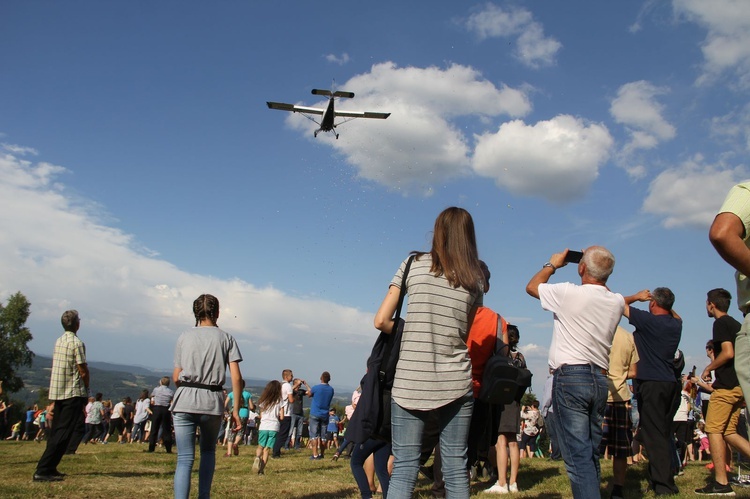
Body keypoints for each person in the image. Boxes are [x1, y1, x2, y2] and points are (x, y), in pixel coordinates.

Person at [374, 206, 484, 499]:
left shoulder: (413, 265)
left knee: (405, 468)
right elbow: (464, 331)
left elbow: (381, 321)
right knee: (456, 468)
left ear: (438, 231)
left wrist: (413, 330)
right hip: (456, 383)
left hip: (411, 379)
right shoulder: (476, 280)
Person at [526, 246, 624, 499]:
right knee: (589, 452)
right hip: (599, 378)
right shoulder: (616, 301)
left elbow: (532, 287)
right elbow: (603, 288)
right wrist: (595, 262)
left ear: (581, 268)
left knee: (577, 457)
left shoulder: (568, 292)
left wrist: (552, 265)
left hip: (571, 377)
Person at [170, 294, 244, 499]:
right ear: (217, 312)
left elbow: (176, 376)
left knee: (184, 459)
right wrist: (236, 409)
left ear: (195, 312)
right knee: (208, 452)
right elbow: (236, 379)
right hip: (212, 401)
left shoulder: (184, 336)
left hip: (184, 399)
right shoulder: (226, 338)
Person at [624, 287, 682, 495]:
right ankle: (659, 478)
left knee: (653, 435)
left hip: (652, 383)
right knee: (662, 432)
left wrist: (637, 296)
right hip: (671, 384)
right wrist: (666, 304)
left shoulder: (648, 321)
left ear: (653, 303)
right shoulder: (675, 324)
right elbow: (678, 315)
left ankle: (665, 485)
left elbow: (618, 303)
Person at [694, 288, 749, 495]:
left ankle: (721, 483)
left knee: (713, 430)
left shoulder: (720, 323)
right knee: (729, 432)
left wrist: (709, 368)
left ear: (711, 304)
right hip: (739, 386)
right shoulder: (736, 324)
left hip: (726, 387)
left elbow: (728, 352)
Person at [33, 309, 90, 482]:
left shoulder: (59, 341)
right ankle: (43, 469)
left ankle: (50, 467)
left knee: (57, 430)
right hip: (72, 392)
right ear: (77, 324)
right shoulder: (77, 343)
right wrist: (86, 389)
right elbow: (82, 370)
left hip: (58, 391)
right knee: (64, 432)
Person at [598, 326, 639, 499]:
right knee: (621, 448)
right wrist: (620, 375)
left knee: (594, 447)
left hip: (599, 396)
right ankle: (618, 489)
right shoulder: (627, 336)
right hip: (622, 398)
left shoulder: (596, 332)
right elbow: (634, 372)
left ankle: (591, 485)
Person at [485, 324, 526, 494]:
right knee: (513, 442)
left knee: (500, 441)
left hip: (501, 401)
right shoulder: (520, 357)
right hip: (514, 402)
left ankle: (502, 482)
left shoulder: (501, 356)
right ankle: (514, 482)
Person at [253, 380, 283, 475]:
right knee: (267, 449)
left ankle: (257, 457)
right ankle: (261, 470)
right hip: (274, 427)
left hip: (264, 426)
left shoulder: (264, 401)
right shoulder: (280, 401)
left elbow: (261, 415)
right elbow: (281, 417)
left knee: (260, 446)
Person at [306, 371, 334, 460]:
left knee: (314, 435)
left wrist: (306, 385)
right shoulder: (331, 389)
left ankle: (315, 454)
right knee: (323, 436)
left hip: (315, 413)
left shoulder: (316, 388)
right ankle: (322, 454)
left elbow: (309, 394)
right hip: (325, 414)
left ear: (321, 378)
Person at [224, 379, 253, 457]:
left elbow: (225, 404)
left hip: (234, 412)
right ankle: (236, 443)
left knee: (232, 431)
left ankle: (229, 452)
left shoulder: (231, 394)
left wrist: (227, 411)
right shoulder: (247, 394)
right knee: (241, 430)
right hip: (244, 413)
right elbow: (251, 406)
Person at [147, 377, 174, 453]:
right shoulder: (171, 391)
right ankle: (168, 449)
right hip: (166, 409)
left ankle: (151, 448)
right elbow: (172, 400)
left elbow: (152, 396)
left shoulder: (156, 389)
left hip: (157, 409)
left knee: (154, 429)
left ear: (161, 382)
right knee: (167, 430)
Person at [272, 369, 295, 457]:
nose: (292, 377)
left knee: (279, 432)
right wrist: (294, 398)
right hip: (286, 412)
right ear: (286, 377)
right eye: (291, 376)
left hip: (279, 412)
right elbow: (291, 400)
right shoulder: (288, 386)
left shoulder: (280, 385)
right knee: (283, 434)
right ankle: (276, 451)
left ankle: (276, 450)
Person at [289, 378, 307, 450]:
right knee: (291, 430)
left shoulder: (301, 391)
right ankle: (287, 444)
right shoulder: (292, 391)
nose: (299, 385)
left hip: (300, 413)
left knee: (299, 431)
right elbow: (290, 389)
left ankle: (297, 445)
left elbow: (310, 392)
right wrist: (297, 384)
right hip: (293, 412)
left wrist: (305, 384)